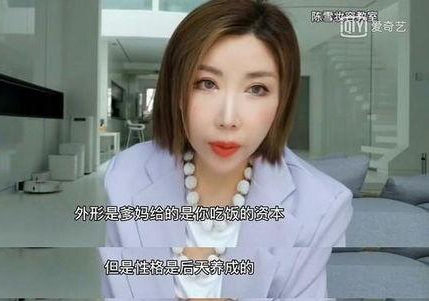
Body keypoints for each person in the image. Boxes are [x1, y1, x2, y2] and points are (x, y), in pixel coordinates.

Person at [103, 0, 353, 248]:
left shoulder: (323, 208)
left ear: (282, 100)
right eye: (207, 84)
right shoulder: (123, 177)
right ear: (176, 91)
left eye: (257, 89)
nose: (228, 120)